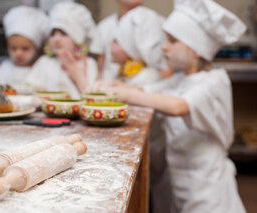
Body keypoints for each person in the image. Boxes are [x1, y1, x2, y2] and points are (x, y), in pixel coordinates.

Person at [93, 0, 247, 212]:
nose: (164, 46)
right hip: (182, 182)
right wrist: (113, 85)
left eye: (172, 41)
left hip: (210, 187)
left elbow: (178, 106)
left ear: (196, 50)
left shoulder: (214, 81)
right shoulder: (180, 79)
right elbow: (148, 90)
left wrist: (124, 93)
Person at [27, 2, 97, 99]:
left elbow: (92, 98)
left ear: (78, 37)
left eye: (64, 33)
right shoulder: (44, 62)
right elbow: (30, 88)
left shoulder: (88, 64)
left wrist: (78, 76)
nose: (57, 39)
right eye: (52, 34)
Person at [0, 5, 48, 94]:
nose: (18, 53)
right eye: (13, 48)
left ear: (37, 48)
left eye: (25, 49)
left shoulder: (44, 67)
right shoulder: (2, 70)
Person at [108, 6, 167, 87]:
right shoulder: (121, 70)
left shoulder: (146, 77)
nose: (110, 44)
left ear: (131, 49)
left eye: (116, 41)